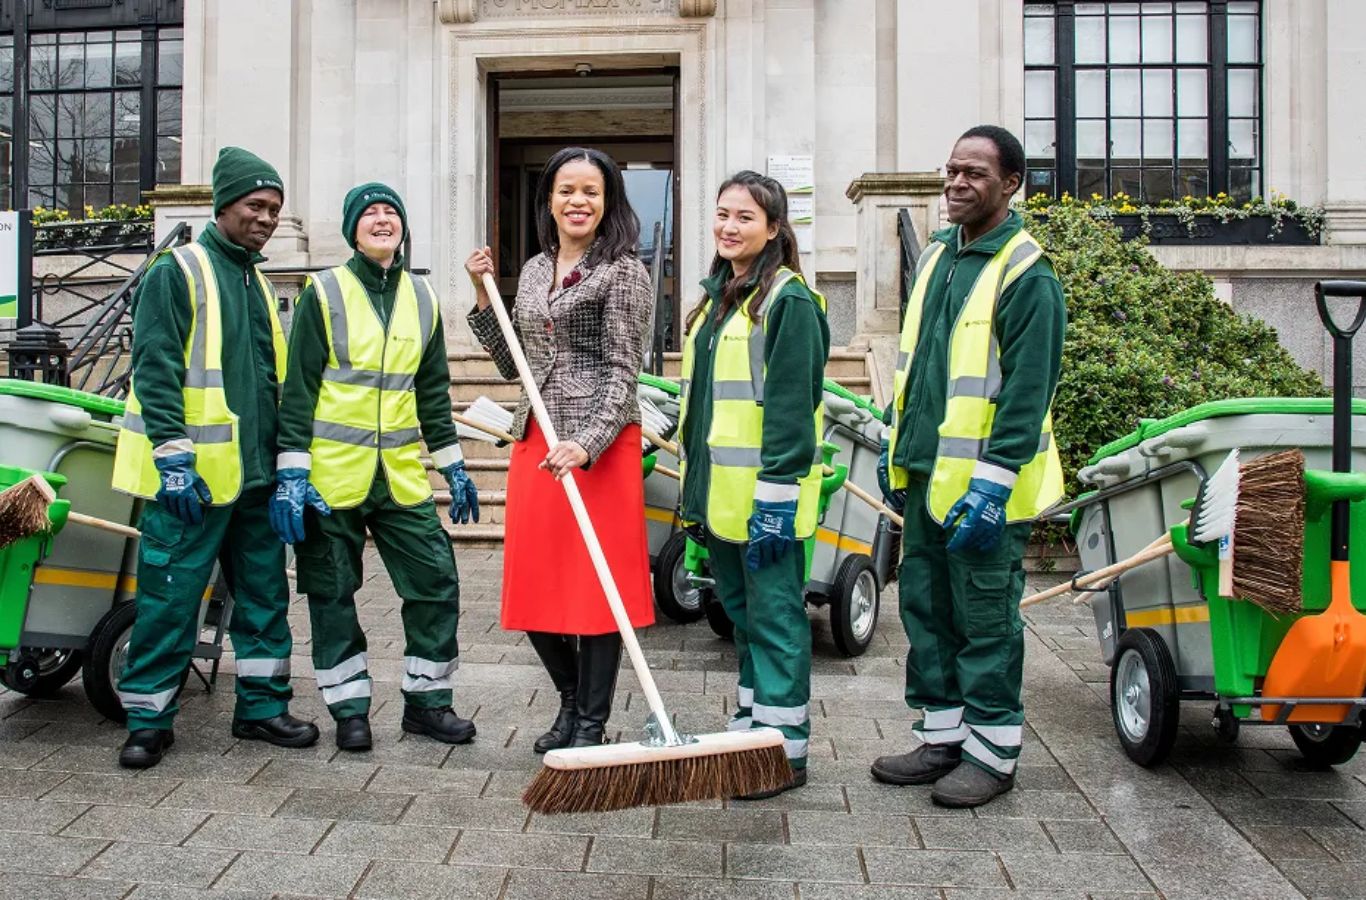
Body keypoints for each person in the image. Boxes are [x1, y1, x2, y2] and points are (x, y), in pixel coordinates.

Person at [872, 125, 1066, 808]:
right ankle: (943, 738)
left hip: (987, 489)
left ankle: (993, 754)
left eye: (974, 173)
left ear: (1012, 183)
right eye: (951, 169)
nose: (956, 182)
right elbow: (920, 366)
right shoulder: (936, 257)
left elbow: (1026, 391)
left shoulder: (1026, 273)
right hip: (927, 477)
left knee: (985, 620)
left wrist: (995, 483)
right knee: (926, 612)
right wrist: (895, 441)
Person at [111, 146, 319, 768]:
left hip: (254, 482)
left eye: (275, 209)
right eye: (255, 205)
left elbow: (275, 383)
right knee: (170, 599)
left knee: (264, 600)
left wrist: (289, 471)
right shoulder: (178, 270)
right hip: (192, 484)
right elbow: (155, 367)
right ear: (224, 204)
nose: (266, 218)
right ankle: (147, 721)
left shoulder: (257, 279)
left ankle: (261, 709)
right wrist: (173, 458)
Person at [271, 182, 480, 752]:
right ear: (352, 230)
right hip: (331, 477)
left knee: (436, 581)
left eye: (392, 211)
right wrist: (292, 473)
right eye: (370, 213)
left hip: (401, 478)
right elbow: (299, 389)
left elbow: (432, 392)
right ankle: (350, 709)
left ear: (403, 227)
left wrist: (454, 465)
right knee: (332, 592)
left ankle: (428, 704)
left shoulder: (423, 297)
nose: (383, 219)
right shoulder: (324, 291)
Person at [464, 146, 653, 752]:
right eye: (567, 190)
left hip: (597, 447)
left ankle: (590, 724)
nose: (578, 201)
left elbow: (626, 374)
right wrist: (481, 294)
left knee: (598, 591)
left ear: (608, 202)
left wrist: (588, 444)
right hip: (537, 439)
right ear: (549, 198)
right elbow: (512, 361)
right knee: (534, 584)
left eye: (591, 192)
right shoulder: (538, 268)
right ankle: (570, 702)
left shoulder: (624, 270)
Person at [676, 171, 830, 799]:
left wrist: (776, 498)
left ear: (773, 227)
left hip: (767, 505)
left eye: (744, 216)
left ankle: (785, 752)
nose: (729, 226)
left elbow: (793, 406)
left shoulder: (788, 301)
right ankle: (753, 727)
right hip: (721, 501)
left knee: (775, 622)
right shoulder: (719, 302)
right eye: (721, 215)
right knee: (742, 618)